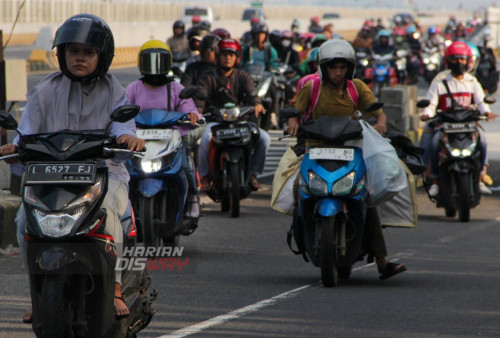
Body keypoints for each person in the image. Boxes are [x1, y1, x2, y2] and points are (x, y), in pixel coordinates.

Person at [0, 13, 145, 322]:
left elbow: (123, 125)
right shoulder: (45, 90)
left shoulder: (113, 89)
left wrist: (129, 138)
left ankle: (116, 287)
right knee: (24, 219)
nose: (80, 58)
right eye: (73, 51)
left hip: (104, 172)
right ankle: (37, 293)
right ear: (62, 54)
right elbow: (26, 132)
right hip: (49, 175)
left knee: (111, 215)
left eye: (88, 52)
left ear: (102, 57)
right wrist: (16, 145)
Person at [286, 39, 406, 280]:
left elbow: (377, 112)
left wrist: (381, 124)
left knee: (366, 197)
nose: (338, 72)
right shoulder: (312, 88)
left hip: (351, 149)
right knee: (297, 190)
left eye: (342, 67)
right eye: (333, 67)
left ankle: (382, 261)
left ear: (349, 68)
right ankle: (301, 234)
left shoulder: (357, 88)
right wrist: (293, 120)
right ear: (324, 68)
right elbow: (295, 110)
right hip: (314, 148)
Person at [126, 40, 202, 220]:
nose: (154, 68)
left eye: (159, 61)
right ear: (140, 63)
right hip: (138, 142)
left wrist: (192, 115)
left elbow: (188, 106)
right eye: (148, 61)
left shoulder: (176, 87)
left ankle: (192, 197)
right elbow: (122, 109)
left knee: (186, 167)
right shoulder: (133, 88)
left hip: (170, 139)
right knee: (120, 172)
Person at [419, 41, 497, 196]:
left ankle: (481, 175)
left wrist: (487, 112)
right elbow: (431, 102)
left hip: (467, 124)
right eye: (455, 59)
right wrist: (427, 113)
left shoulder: (472, 81)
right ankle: (433, 179)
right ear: (448, 60)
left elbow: (481, 102)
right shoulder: (440, 80)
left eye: (462, 59)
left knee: (482, 140)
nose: (459, 62)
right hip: (444, 124)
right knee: (434, 143)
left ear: (468, 61)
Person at [195, 38, 271, 191]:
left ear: (237, 57)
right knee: (204, 140)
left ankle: (254, 174)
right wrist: (199, 110)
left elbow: (252, 94)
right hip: (215, 121)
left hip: (240, 121)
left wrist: (257, 104)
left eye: (231, 54)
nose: (228, 58)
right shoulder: (208, 77)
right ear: (218, 56)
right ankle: (204, 176)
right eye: (224, 54)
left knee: (264, 138)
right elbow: (200, 98)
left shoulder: (243, 76)